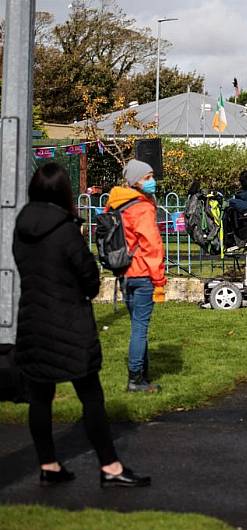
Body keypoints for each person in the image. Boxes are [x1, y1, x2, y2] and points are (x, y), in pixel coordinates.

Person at [13, 162, 150, 487]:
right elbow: (88, 277)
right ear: (63, 192)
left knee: (40, 399)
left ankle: (48, 464)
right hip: (69, 324)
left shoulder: (21, 226)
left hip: (33, 321)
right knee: (91, 397)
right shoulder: (64, 230)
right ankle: (110, 466)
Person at [106, 159, 166, 392]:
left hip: (124, 273)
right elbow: (152, 246)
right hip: (142, 273)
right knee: (140, 328)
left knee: (137, 325)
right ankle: (136, 379)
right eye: (147, 178)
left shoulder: (116, 204)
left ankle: (142, 374)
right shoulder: (141, 207)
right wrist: (159, 280)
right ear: (136, 181)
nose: (152, 181)